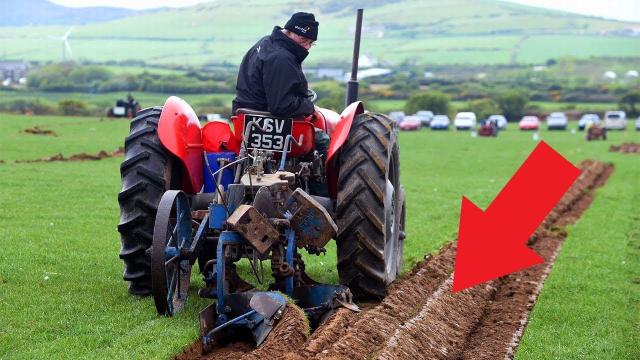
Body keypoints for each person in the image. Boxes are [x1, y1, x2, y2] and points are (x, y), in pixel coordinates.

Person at [232, 12, 318, 117]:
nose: (306, 47)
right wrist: (310, 107)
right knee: (322, 132)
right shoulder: (282, 58)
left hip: (245, 116)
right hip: (265, 121)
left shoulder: (265, 42)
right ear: (289, 31)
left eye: (311, 43)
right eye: (303, 40)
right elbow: (282, 106)